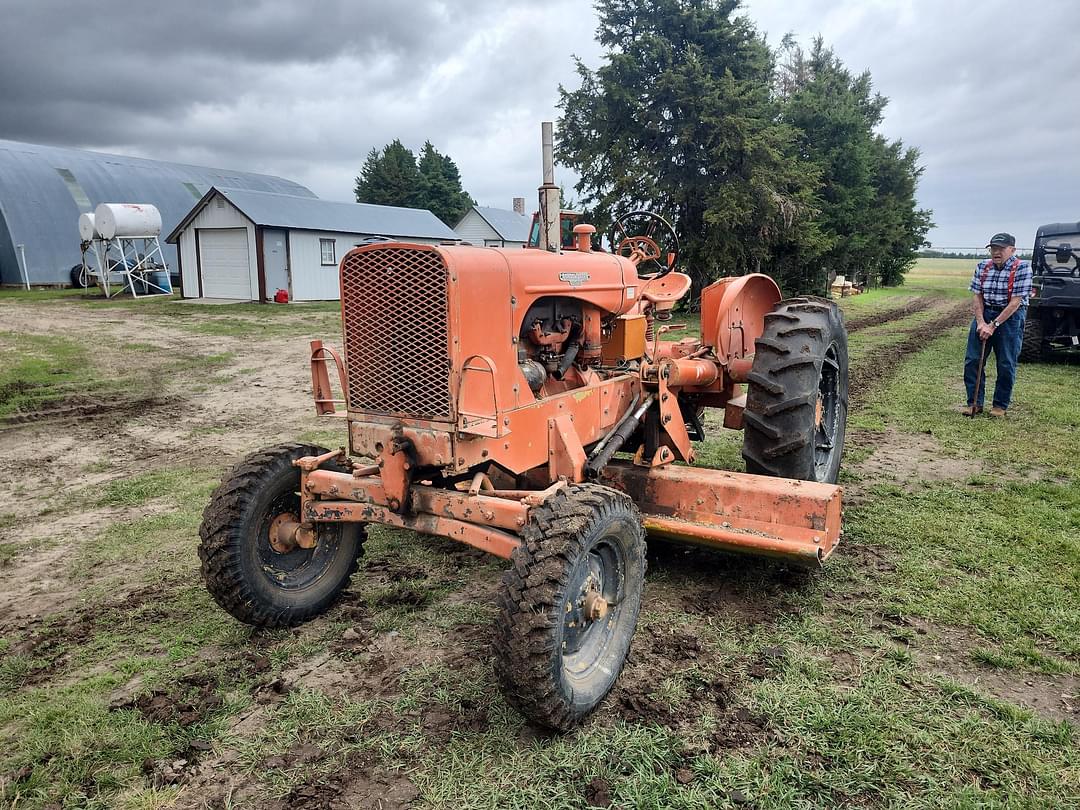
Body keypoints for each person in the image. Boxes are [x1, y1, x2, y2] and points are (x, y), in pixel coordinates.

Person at [962, 232, 1032, 416]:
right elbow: (977, 295)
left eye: (1001, 248)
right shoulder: (983, 266)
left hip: (1010, 317)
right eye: (993, 248)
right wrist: (980, 322)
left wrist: (993, 325)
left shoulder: (1022, 268)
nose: (996, 252)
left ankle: (1000, 406)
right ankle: (974, 403)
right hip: (985, 313)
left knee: (1006, 363)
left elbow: (1016, 302)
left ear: (1012, 249)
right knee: (973, 360)